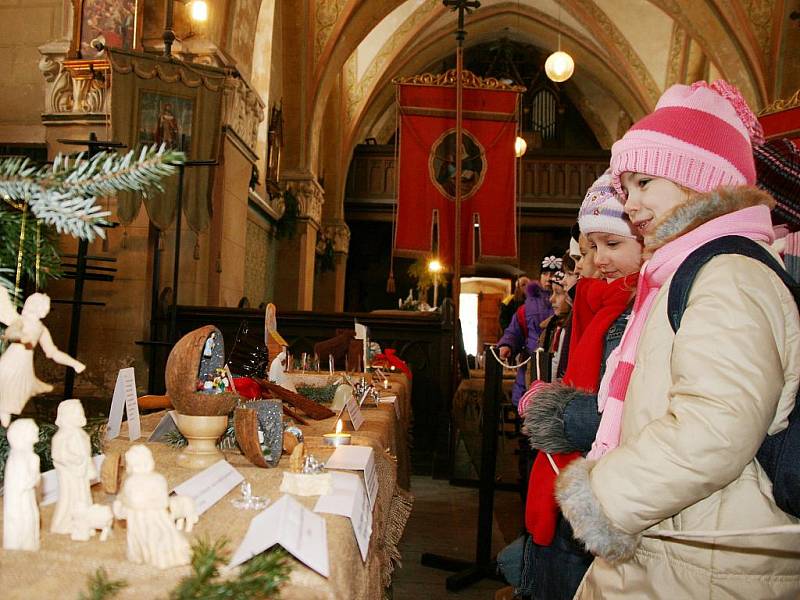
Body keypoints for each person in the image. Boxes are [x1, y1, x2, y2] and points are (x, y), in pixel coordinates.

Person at [556, 80, 800, 598]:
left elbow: (714, 430)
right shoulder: (691, 269)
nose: (632, 203)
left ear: (699, 179)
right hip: (682, 546)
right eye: (628, 188)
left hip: (706, 560)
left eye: (644, 182)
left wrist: (599, 493)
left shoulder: (729, 273)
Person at [502, 172, 642, 600]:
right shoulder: (598, 302)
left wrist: (556, 413)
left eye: (611, 245)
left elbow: (626, 407)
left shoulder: (628, 308)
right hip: (577, 469)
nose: (595, 261)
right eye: (590, 248)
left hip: (599, 476)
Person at [497, 258, 557, 407]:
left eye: (554, 273)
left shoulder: (567, 303)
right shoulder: (527, 306)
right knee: (528, 407)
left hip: (557, 365)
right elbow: (514, 330)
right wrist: (507, 345)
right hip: (530, 364)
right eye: (545, 273)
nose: (549, 278)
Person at [50, 399, 96, 535]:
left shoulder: (81, 434)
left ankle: (83, 523)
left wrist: (88, 466)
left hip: (81, 473)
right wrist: (74, 460)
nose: (79, 416)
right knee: (69, 498)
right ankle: (64, 524)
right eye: (76, 414)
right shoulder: (61, 437)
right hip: (69, 475)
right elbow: (58, 455)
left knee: (82, 497)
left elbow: (87, 453)